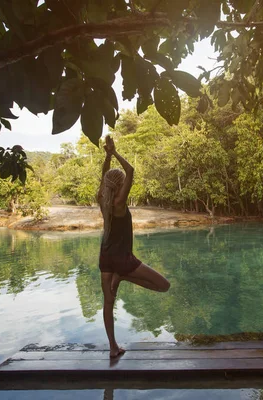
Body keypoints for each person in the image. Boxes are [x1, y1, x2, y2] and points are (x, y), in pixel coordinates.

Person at [97, 135, 170, 358]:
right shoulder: (119, 203)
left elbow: (104, 176)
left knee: (108, 303)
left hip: (105, 257)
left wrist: (108, 156)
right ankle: (125, 276)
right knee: (163, 286)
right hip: (122, 260)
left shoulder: (102, 199)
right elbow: (130, 171)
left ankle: (112, 348)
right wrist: (116, 152)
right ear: (119, 186)